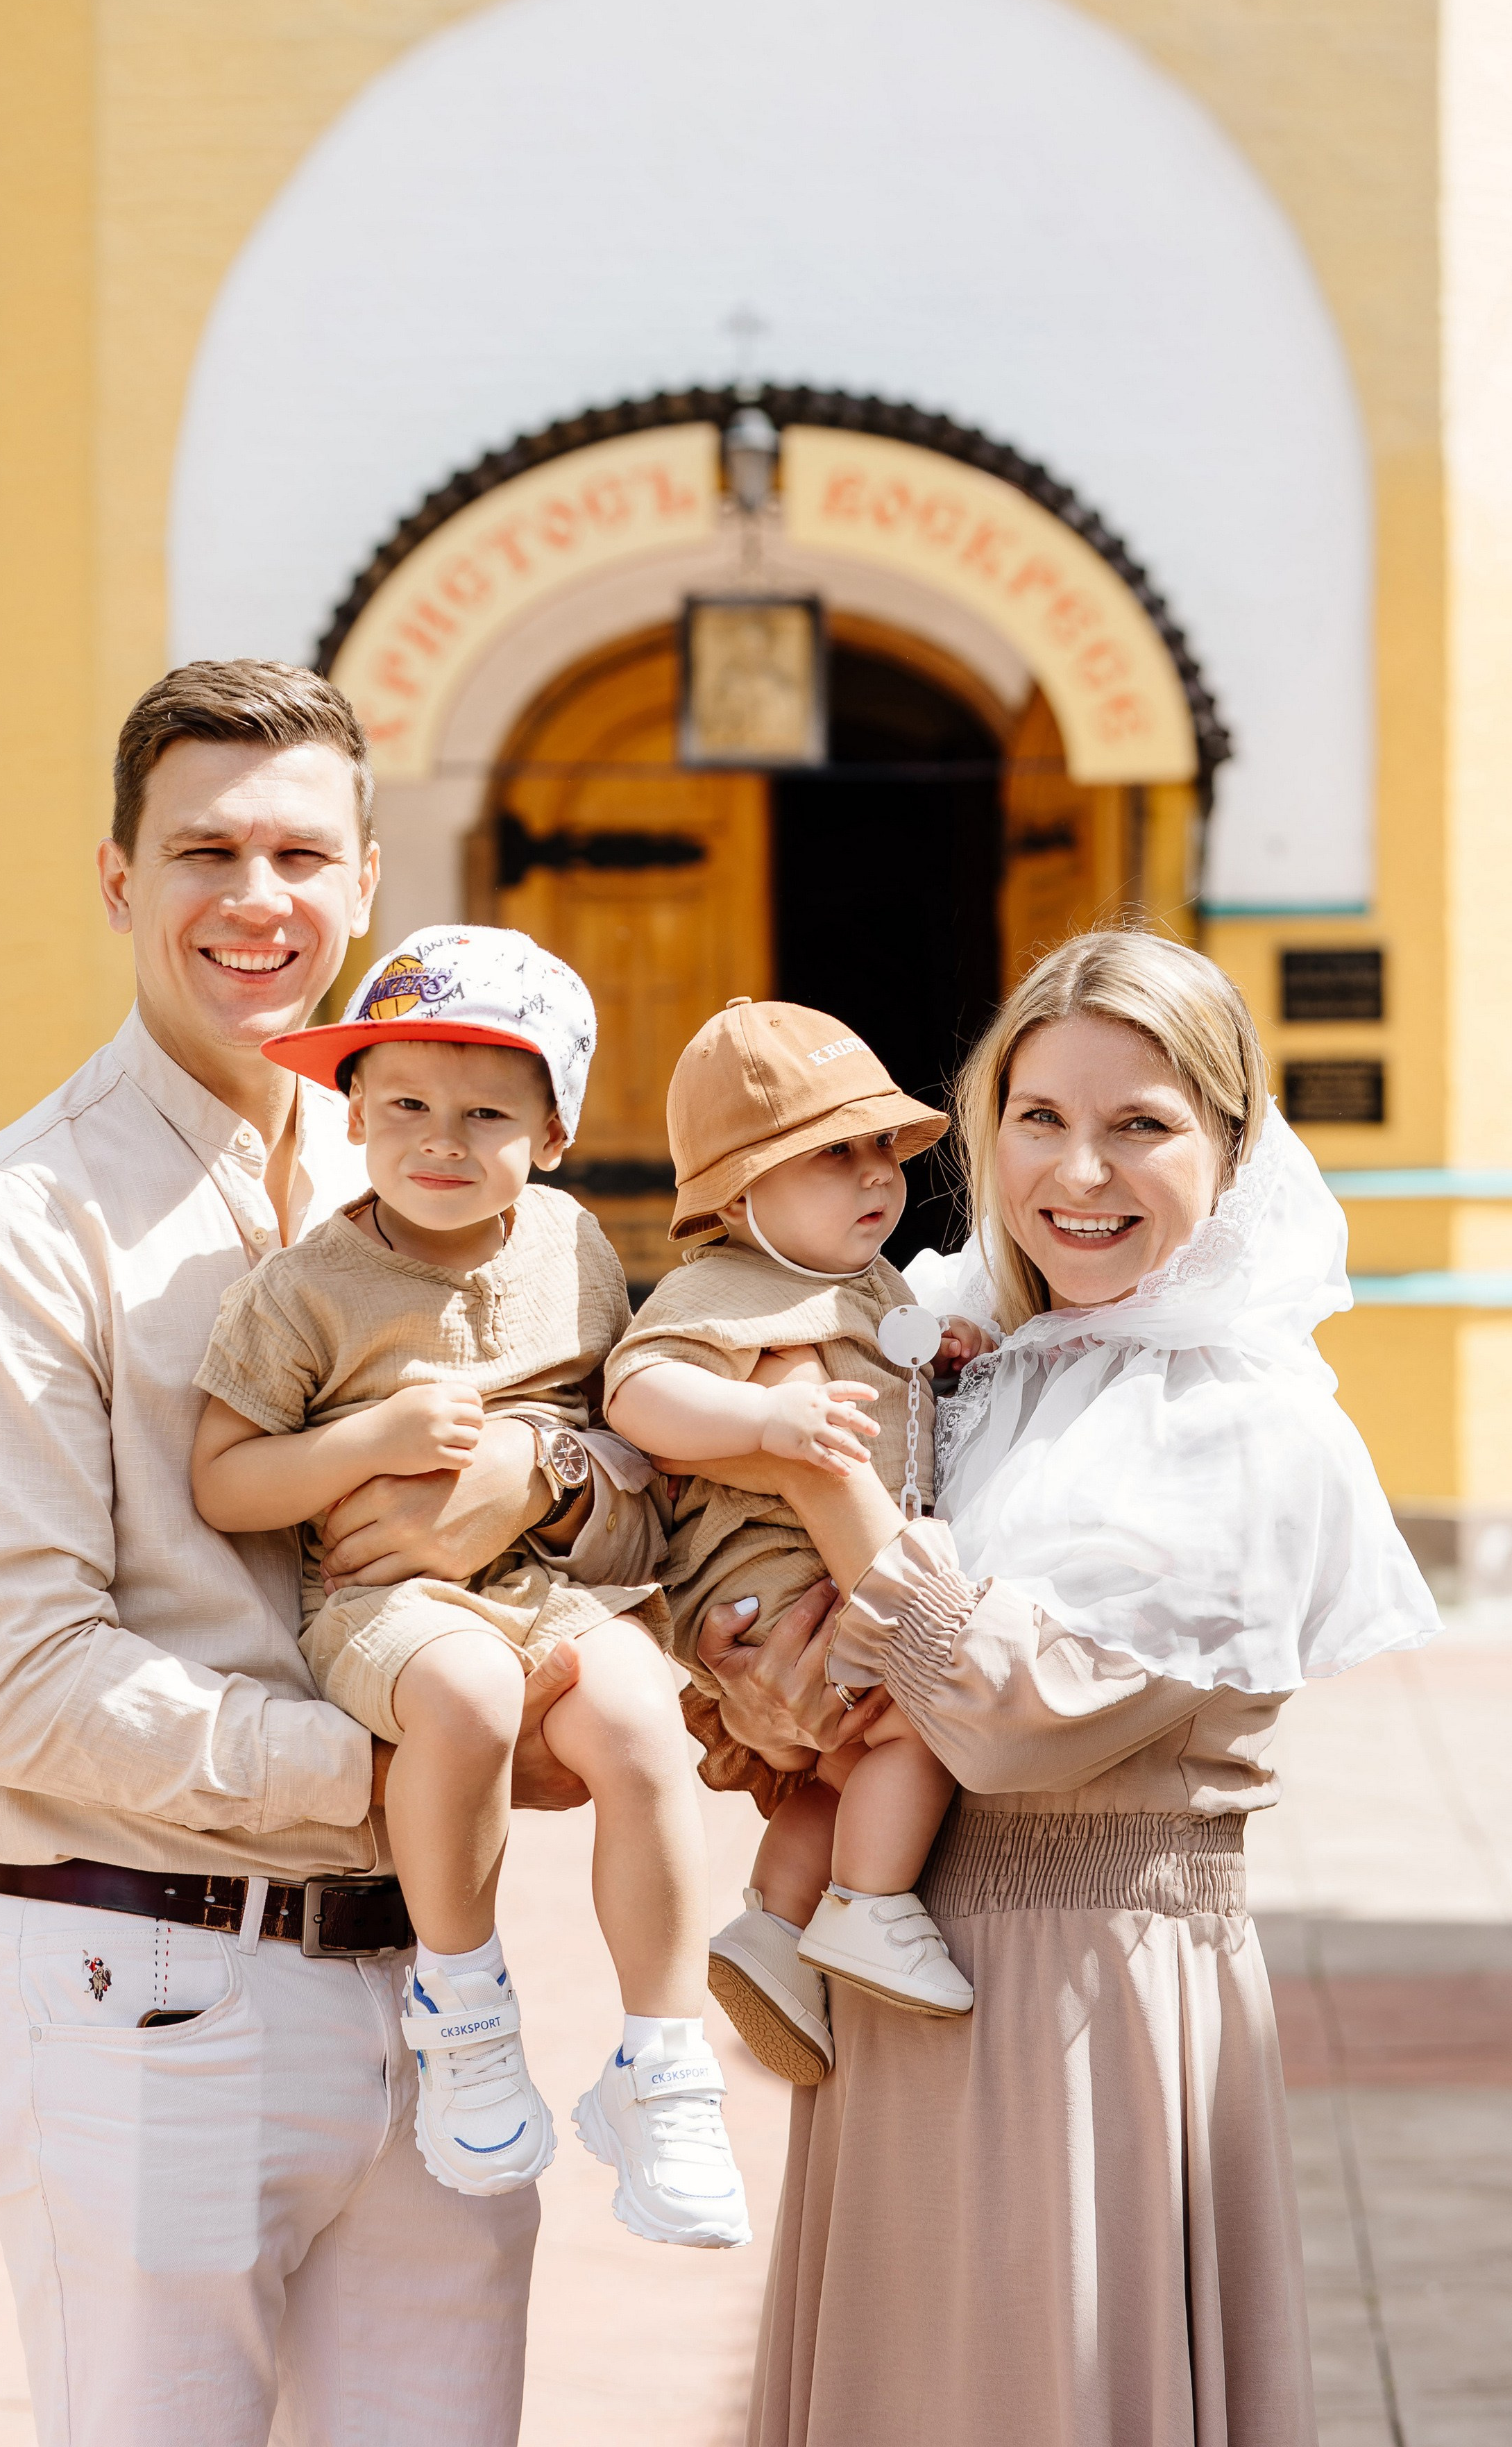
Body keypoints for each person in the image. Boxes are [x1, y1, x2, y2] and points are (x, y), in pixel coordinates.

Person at [0, 662, 639, 2447]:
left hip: (438, 1994)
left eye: (302, 851)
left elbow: (615, 1493)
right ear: (122, 879)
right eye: (204, 849)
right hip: (150, 2001)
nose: (258, 898)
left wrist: (546, 1468)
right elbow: (25, 1695)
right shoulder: (10, 1228)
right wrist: (414, 1766)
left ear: (369, 881)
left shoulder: (463, 1179)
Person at [674, 931, 1440, 2447]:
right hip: (897, 1975)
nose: (1078, 1170)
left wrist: (825, 1499)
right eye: (1039, 1118)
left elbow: (1018, 1721)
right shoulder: (970, 1358)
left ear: (1230, 1146)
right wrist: (758, 1677)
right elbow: (839, 1674)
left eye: (1140, 1123)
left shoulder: (1248, 1418)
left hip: (1089, 1987)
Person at [191, 923, 749, 2244]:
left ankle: (661, 2064)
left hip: (557, 1580)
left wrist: (549, 1468)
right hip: (389, 1604)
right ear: (353, 1111)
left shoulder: (572, 1246)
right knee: (467, 1698)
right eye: (404, 1106)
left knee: (641, 1725)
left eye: (486, 1113)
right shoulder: (304, 1291)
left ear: (553, 1134)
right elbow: (223, 1481)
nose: (439, 1140)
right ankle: (467, 2006)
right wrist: (366, 1444)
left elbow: (627, 1434)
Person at [604, 997, 980, 2086]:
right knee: (916, 1723)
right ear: (736, 1189)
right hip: (776, 1588)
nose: (875, 1177)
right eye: (833, 1156)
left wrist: (940, 1347)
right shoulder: (721, 1290)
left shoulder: (860, 1280)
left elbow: (890, 1342)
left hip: (814, 1592)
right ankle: (870, 1905)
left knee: (830, 1772)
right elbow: (640, 1393)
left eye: (882, 1150)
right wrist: (765, 1423)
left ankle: (773, 1926)